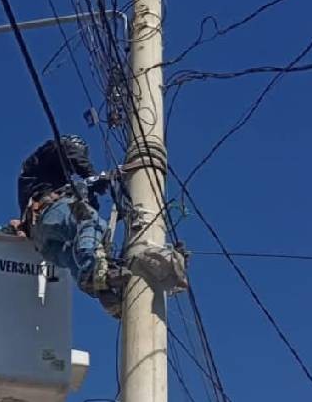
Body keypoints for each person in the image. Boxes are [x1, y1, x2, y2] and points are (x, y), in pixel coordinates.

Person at [13, 135, 187, 317]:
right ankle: (94, 272)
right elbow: (67, 149)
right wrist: (90, 174)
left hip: (44, 242)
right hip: (49, 214)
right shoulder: (44, 160)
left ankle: (105, 292)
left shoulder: (51, 179)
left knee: (80, 253)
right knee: (93, 223)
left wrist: (94, 186)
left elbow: (88, 203)